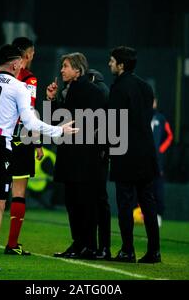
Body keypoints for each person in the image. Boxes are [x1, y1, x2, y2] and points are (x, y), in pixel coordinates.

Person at [0, 44, 78, 271]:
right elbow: (30, 123)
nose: (23, 66)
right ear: (15, 63)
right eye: (22, 63)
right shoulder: (18, 87)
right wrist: (58, 131)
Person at [46, 53, 108, 260]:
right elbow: (53, 122)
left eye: (65, 66)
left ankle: (88, 245)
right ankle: (80, 243)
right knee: (73, 202)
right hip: (71, 155)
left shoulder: (92, 91)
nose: (62, 70)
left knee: (84, 203)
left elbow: (98, 123)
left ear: (77, 70)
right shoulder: (69, 91)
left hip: (83, 157)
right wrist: (51, 100)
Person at [107, 46, 161, 264]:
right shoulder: (146, 87)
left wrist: (107, 148)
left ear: (121, 65)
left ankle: (127, 250)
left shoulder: (119, 88)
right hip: (146, 153)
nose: (110, 63)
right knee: (148, 203)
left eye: (112, 61)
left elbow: (114, 123)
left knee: (125, 203)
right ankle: (154, 252)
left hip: (126, 153)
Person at [3, 37, 44, 256]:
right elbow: (29, 113)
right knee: (19, 193)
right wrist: (37, 142)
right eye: (33, 53)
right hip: (20, 139)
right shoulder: (30, 80)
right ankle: (12, 244)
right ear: (27, 55)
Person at [87, 69, 112, 260]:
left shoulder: (99, 91)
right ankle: (98, 246)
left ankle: (99, 246)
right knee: (98, 201)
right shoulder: (103, 90)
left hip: (96, 152)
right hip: (99, 152)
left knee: (98, 201)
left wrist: (104, 148)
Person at [150, 91, 173, 227]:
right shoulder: (142, 117)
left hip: (157, 162)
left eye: (153, 101)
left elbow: (169, 136)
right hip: (144, 160)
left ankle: (158, 214)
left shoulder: (161, 118)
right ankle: (139, 213)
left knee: (158, 188)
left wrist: (160, 149)